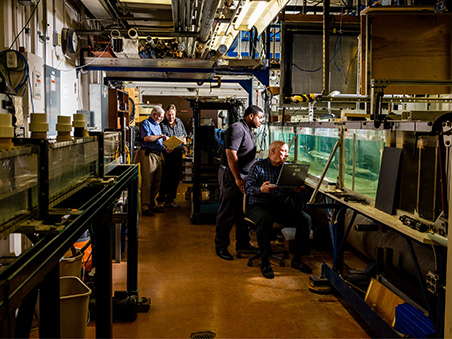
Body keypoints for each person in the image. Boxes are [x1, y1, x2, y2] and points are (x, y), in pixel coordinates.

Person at [245, 140, 312, 279]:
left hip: (278, 206)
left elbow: (290, 191)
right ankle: (265, 262)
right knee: (265, 219)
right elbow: (248, 188)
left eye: (287, 151)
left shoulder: (287, 168)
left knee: (305, 219)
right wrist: (261, 189)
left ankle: (297, 260)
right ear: (272, 151)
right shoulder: (258, 167)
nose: (287, 154)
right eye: (283, 151)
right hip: (258, 205)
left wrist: (296, 190)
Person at [215, 105, 264, 260]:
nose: (261, 121)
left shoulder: (247, 129)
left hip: (242, 176)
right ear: (251, 116)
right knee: (227, 211)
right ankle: (221, 246)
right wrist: (237, 178)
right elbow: (231, 154)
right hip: (232, 176)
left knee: (241, 211)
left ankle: (243, 243)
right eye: (260, 118)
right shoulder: (237, 128)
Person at [135, 106, 168, 216]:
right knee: (147, 182)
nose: (161, 119)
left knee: (156, 182)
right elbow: (147, 138)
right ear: (154, 115)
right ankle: (145, 206)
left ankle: (152, 204)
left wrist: (163, 151)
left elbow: (158, 142)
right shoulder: (145, 124)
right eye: (161, 117)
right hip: (148, 155)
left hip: (158, 155)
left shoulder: (157, 125)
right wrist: (161, 136)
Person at [156, 104, 188, 209]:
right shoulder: (161, 124)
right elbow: (159, 139)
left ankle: (170, 200)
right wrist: (164, 149)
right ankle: (161, 200)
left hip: (177, 154)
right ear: (165, 114)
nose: (171, 117)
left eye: (173, 115)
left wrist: (184, 145)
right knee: (164, 178)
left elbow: (184, 135)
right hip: (166, 154)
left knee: (175, 178)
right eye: (169, 115)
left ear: (176, 113)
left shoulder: (179, 122)